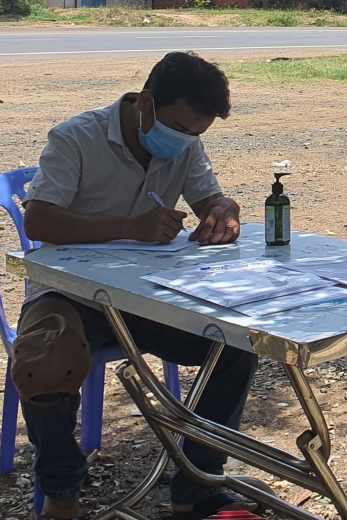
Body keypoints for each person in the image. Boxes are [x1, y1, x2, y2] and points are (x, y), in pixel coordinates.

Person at [17, 52, 260, 520]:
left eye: (197, 134)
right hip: (69, 293)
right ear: (145, 103)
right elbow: (38, 219)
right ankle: (61, 495)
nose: (185, 140)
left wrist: (223, 211)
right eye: (178, 127)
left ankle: (199, 484)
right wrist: (130, 226)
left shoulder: (184, 144)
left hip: (148, 295)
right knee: (45, 360)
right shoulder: (76, 137)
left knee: (236, 344)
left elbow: (210, 196)